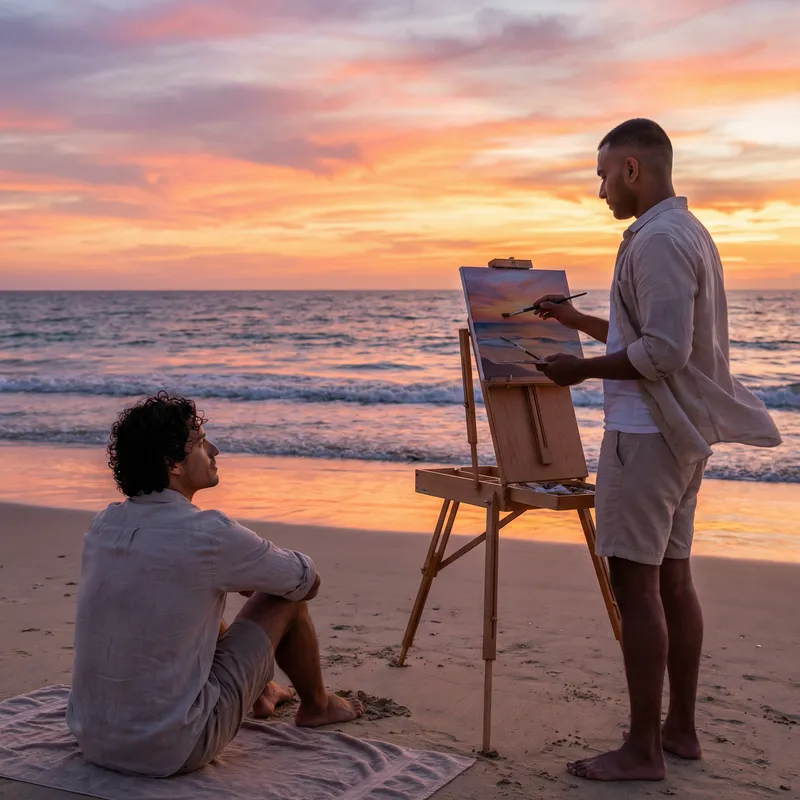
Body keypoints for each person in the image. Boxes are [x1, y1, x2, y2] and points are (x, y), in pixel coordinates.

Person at [531, 118, 781, 782]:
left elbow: (663, 354)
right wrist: (580, 322)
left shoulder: (661, 240)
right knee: (671, 577)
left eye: (603, 173)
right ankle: (680, 731)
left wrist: (580, 370)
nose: (600, 187)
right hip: (679, 435)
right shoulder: (683, 232)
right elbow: (658, 330)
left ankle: (643, 749)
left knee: (635, 583)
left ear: (633, 168)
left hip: (648, 435)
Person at [67, 392, 364, 777]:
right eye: (200, 440)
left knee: (184, 597)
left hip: (93, 739)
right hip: (173, 749)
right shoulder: (210, 534)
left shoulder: (103, 524)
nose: (215, 449)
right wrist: (252, 576)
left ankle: (263, 691)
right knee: (283, 599)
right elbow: (306, 582)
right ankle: (318, 706)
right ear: (173, 463)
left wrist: (233, 575)